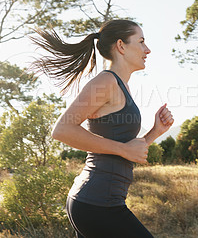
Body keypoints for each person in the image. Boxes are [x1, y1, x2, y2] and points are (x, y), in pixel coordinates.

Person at [31, 19, 174, 238]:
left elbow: (126, 150)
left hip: (98, 202)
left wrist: (155, 131)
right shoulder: (106, 82)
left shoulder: (121, 85)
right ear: (121, 46)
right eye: (142, 41)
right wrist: (123, 149)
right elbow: (62, 129)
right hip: (97, 204)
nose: (148, 49)